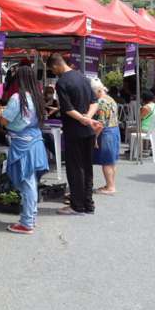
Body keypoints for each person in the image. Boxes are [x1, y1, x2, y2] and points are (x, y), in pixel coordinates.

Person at [0, 66, 49, 234]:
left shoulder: (18, 98)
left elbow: (4, 121)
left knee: (26, 183)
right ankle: (30, 217)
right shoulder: (37, 97)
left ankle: (26, 223)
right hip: (36, 141)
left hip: (22, 143)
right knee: (31, 181)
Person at [49, 53, 102, 215]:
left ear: (56, 66)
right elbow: (95, 102)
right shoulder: (82, 77)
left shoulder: (62, 83)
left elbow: (67, 109)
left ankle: (77, 206)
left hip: (74, 130)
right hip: (88, 131)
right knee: (87, 168)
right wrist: (88, 118)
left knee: (75, 169)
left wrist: (83, 119)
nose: (53, 72)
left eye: (52, 69)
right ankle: (88, 203)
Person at [90, 78, 119, 195]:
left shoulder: (101, 102)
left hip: (107, 133)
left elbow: (100, 124)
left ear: (97, 91)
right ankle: (110, 184)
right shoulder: (110, 99)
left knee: (106, 162)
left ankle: (110, 187)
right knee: (111, 161)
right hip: (114, 130)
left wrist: (95, 137)